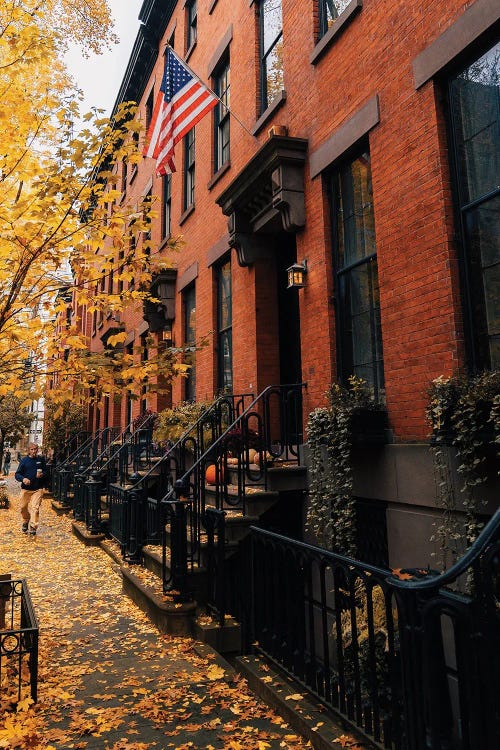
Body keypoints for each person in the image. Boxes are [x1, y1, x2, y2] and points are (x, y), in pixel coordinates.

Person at [15, 443, 47, 536]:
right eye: (32, 449)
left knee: (35, 508)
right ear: (29, 450)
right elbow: (17, 474)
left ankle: (33, 526)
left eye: (35, 449)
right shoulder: (24, 461)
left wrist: (42, 475)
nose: (34, 451)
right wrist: (23, 479)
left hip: (38, 489)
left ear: (37, 450)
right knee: (22, 507)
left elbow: (46, 471)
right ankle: (26, 520)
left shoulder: (41, 460)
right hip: (26, 489)